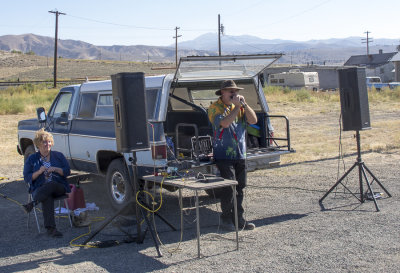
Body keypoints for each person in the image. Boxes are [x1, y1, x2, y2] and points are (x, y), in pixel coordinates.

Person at [208, 80, 258, 231]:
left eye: (235, 91)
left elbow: (253, 120)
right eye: (230, 91)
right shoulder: (214, 108)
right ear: (222, 92)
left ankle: (239, 219)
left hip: (240, 153)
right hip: (223, 154)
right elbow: (224, 123)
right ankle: (226, 218)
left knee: (240, 187)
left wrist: (244, 105)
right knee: (229, 187)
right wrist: (236, 107)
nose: (233, 94)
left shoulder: (240, 107)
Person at [23, 129, 71, 237]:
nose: (47, 144)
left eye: (49, 141)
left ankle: (33, 203)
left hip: (59, 187)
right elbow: (27, 177)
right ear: (38, 144)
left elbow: (67, 172)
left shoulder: (58, 155)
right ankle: (51, 229)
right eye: (44, 142)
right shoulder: (32, 159)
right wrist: (39, 172)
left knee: (51, 184)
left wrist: (55, 169)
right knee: (47, 196)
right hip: (39, 189)